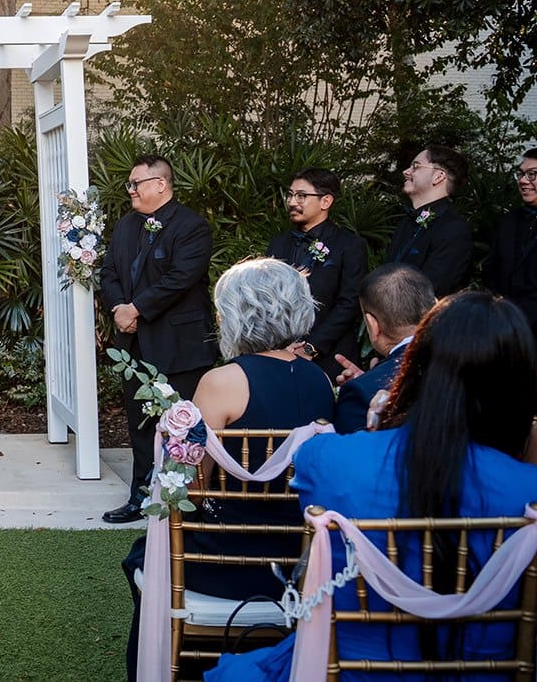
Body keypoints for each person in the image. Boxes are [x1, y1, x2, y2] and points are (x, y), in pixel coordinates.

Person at [207, 292, 537, 681]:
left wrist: (379, 425)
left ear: (413, 367)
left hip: (351, 671)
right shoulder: (526, 489)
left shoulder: (327, 459)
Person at [120, 259, 336, 680]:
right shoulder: (319, 381)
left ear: (236, 315)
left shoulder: (223, 381)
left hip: (226, 562)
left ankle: (176, 666)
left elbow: (191, 485)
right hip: (300, 560)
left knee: (140, 557)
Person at [99, 154, 217, 524]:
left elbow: (181, 278)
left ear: (160, 185)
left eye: (136, 184)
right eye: (130, 185)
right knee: (140, 425)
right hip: (133, 346)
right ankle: (140, 495)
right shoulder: (124, 226)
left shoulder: (193, 227)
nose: (130, 190)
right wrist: (120, 306)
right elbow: (109, 272)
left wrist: (137, 309)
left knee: (184, 424)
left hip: (180, 346)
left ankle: (190, 499)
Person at [265, 167, 366, 380]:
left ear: (325, 202)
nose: (292, 202)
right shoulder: (278, 243)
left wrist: (311, 347)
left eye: (301, 196)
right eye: (290, 195)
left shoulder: (349, 245)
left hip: (331, 357)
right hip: (281, 354)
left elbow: (350, 303)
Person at [332, 265, 434, 434]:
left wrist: (367, 384)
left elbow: (350, 457)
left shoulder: (361, 394)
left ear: (373, 325)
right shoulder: (471, 364)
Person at [383, 144, 473, 296]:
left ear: (438, 176)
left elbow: (432, 292)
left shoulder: (454, 230)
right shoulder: (407, 221)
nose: (406, 171)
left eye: (416, 166)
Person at [485, 146, 537, 329]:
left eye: (532, 174)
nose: (523, 181)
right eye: (521, 174)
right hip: (504, 326)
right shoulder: (508, 221)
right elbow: (492, 271)